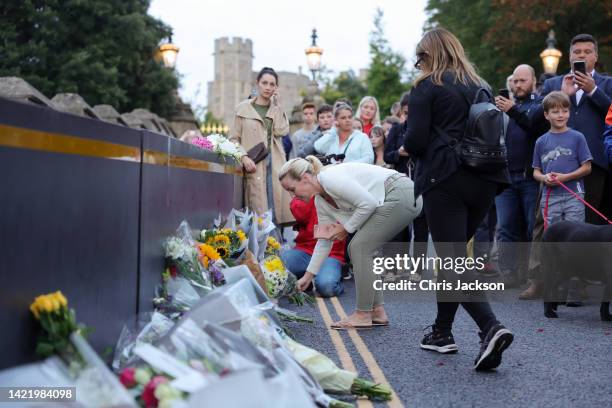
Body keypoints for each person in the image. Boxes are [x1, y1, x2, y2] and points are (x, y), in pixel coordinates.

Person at [403, 27, 513, 371]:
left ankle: (490, 327)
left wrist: (406, 147)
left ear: (429, 55)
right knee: (453, 258)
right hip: (483, 180)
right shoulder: (477, 84)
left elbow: (417, 140)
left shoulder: (426, 86)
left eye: (420, 57)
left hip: (445, 179)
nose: (418, 64)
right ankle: (441, 332)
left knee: (451, 262)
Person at [278, 156, 422, 329]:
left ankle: (363, 314)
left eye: (292, 189)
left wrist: (346, 228)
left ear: (306, 178)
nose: (292, 196)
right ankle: (377, 311)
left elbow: (367, 203)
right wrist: (308, 276)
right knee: (362, 248)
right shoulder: (321, 200)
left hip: (401, 192)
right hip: (395, 197)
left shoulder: (329, 178)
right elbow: (325, 240)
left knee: (359, 247)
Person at [522, 33, 612, 298]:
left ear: (596, 56)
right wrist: (561, 93)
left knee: (588, 222)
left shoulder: (607, 83)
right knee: (544, 221)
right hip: (553, 164)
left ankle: (579, 283)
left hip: (592, 164)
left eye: (587, 51)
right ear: (570, 56)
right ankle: (539, 279)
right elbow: (531, 119)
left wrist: (593, 90)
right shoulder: (552, 83)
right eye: (577, 52)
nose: (581, 56)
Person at [493, 64, 547, 287]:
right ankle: (508, 273)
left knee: (529, 227)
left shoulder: (539, 105)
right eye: (515, 81)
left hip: (529, 178)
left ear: (533, 81)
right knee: (505, 227)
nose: (517, 84)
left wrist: (512, 110)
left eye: (522, 80)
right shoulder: (502, 109)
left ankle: (530, 275)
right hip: (504, 177)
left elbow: (534, 125)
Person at [229, 67, 293, 225]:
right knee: (258, 210)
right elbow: (233, 138)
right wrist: (243, 157)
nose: (268, 87)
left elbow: (282, 130)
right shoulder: (242, 109)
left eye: (272, 84)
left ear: (276, 88)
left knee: (276, 208)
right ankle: (260, 247)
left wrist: (279, 106)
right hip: (254, 163)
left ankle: (275, 245)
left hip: (275, 164)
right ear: (257, 83)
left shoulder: (275, 108)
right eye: (264, 83)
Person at [533, 91, 592, 226]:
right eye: (555, 112)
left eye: (565, 111)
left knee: (575, 234)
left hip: (574, 195)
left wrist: (566, 177)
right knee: (553, 237)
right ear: (546, 115)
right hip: (550, 196)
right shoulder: (541, 141)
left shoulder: (578, 137)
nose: (561, 115)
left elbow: (587, 167)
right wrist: (544, 178)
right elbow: (536, 171)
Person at [281, 196, 346, 297]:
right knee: (276, 265)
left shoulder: (338, 190)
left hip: (331, 254)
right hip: (305, 250)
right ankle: (309, 276)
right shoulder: (308, 191)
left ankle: (331, 275)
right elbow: (300, 214)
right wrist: (301, 194)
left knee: (327, 287)